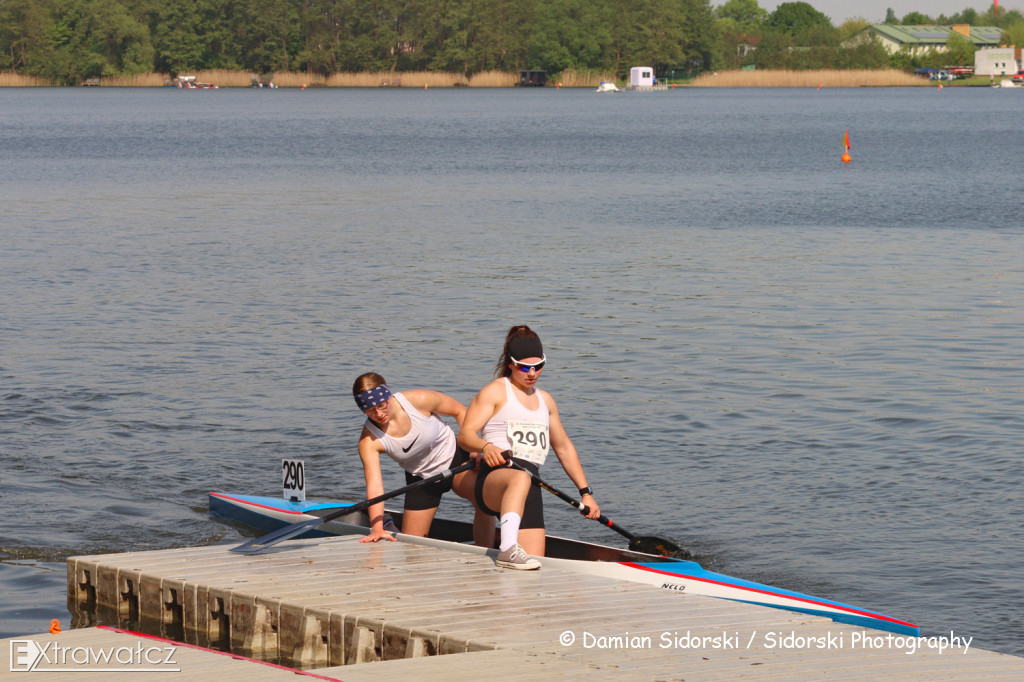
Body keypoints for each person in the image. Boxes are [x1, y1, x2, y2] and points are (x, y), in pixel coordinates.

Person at [457, 325, 600, 570]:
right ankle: (508, 549)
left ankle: (510, 562)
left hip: (531, 483)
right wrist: (486, 446)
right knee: (521, 477)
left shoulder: (546, 400)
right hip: (495, 478)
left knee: (536, 565)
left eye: (538, 366)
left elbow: (564, 447)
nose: (532, 373)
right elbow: (465, 435)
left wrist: (586, 493)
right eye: (524, 367)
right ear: (511, 364)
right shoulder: (495, 392)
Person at [352, 373, 489, 545]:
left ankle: (487, 548)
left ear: (389, 395)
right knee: (411, 547)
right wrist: (376, 527)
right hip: (422, 479)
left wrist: (473, 448)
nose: (379, 414)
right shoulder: (368, 441)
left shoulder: (419, 400)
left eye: (382, 405)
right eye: (370, 411)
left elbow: (461, 411)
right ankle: (386, 523)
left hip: (456, 460)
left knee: (484, 500)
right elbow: (375, 486)